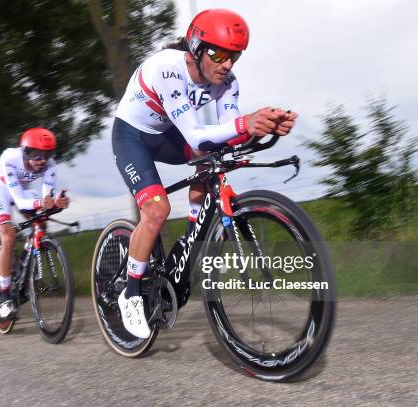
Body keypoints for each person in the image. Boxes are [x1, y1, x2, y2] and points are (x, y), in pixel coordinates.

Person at [112, 9, 298, 338]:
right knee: (156, 210)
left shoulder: (227, 83)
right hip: (133, 136)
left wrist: (262, 127)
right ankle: (131, 292)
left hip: (167, 135)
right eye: (219, 53)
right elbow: (197, 134)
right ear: (196, 48)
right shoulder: (167, 69)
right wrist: (246, 124)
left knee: (214, 154)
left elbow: (228, 132)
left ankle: (189, 237)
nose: (227, 64)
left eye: (234, 56)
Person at [0, 128, 69, 319]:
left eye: (47, 155)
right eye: (35, 154)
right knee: (8, 235)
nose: (41, 160)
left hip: (21, 191)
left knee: (41, 222)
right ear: (24, 151)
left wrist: (56, 202)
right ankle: (4, 294)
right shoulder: (9, 158)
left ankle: (25, 267)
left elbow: (46, 197)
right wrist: (42, 202)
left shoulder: (50, 166)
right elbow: (19, 199)